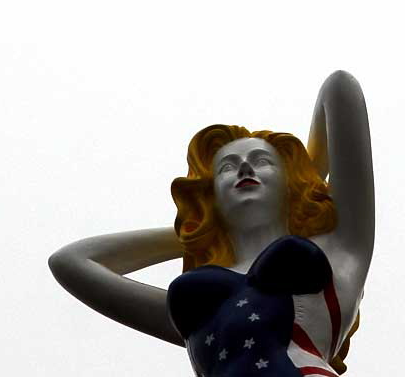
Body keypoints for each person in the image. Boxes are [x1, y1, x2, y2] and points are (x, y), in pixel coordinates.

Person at [48, 71, 373, 376]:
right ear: (211, 193)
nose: (245, 168)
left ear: (290, 180)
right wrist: (199, 230)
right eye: (227, 168)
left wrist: (307, 178)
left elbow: (340, 87)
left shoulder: (341, 249)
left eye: (262, 162)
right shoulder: (195, 311)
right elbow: (71, 262)